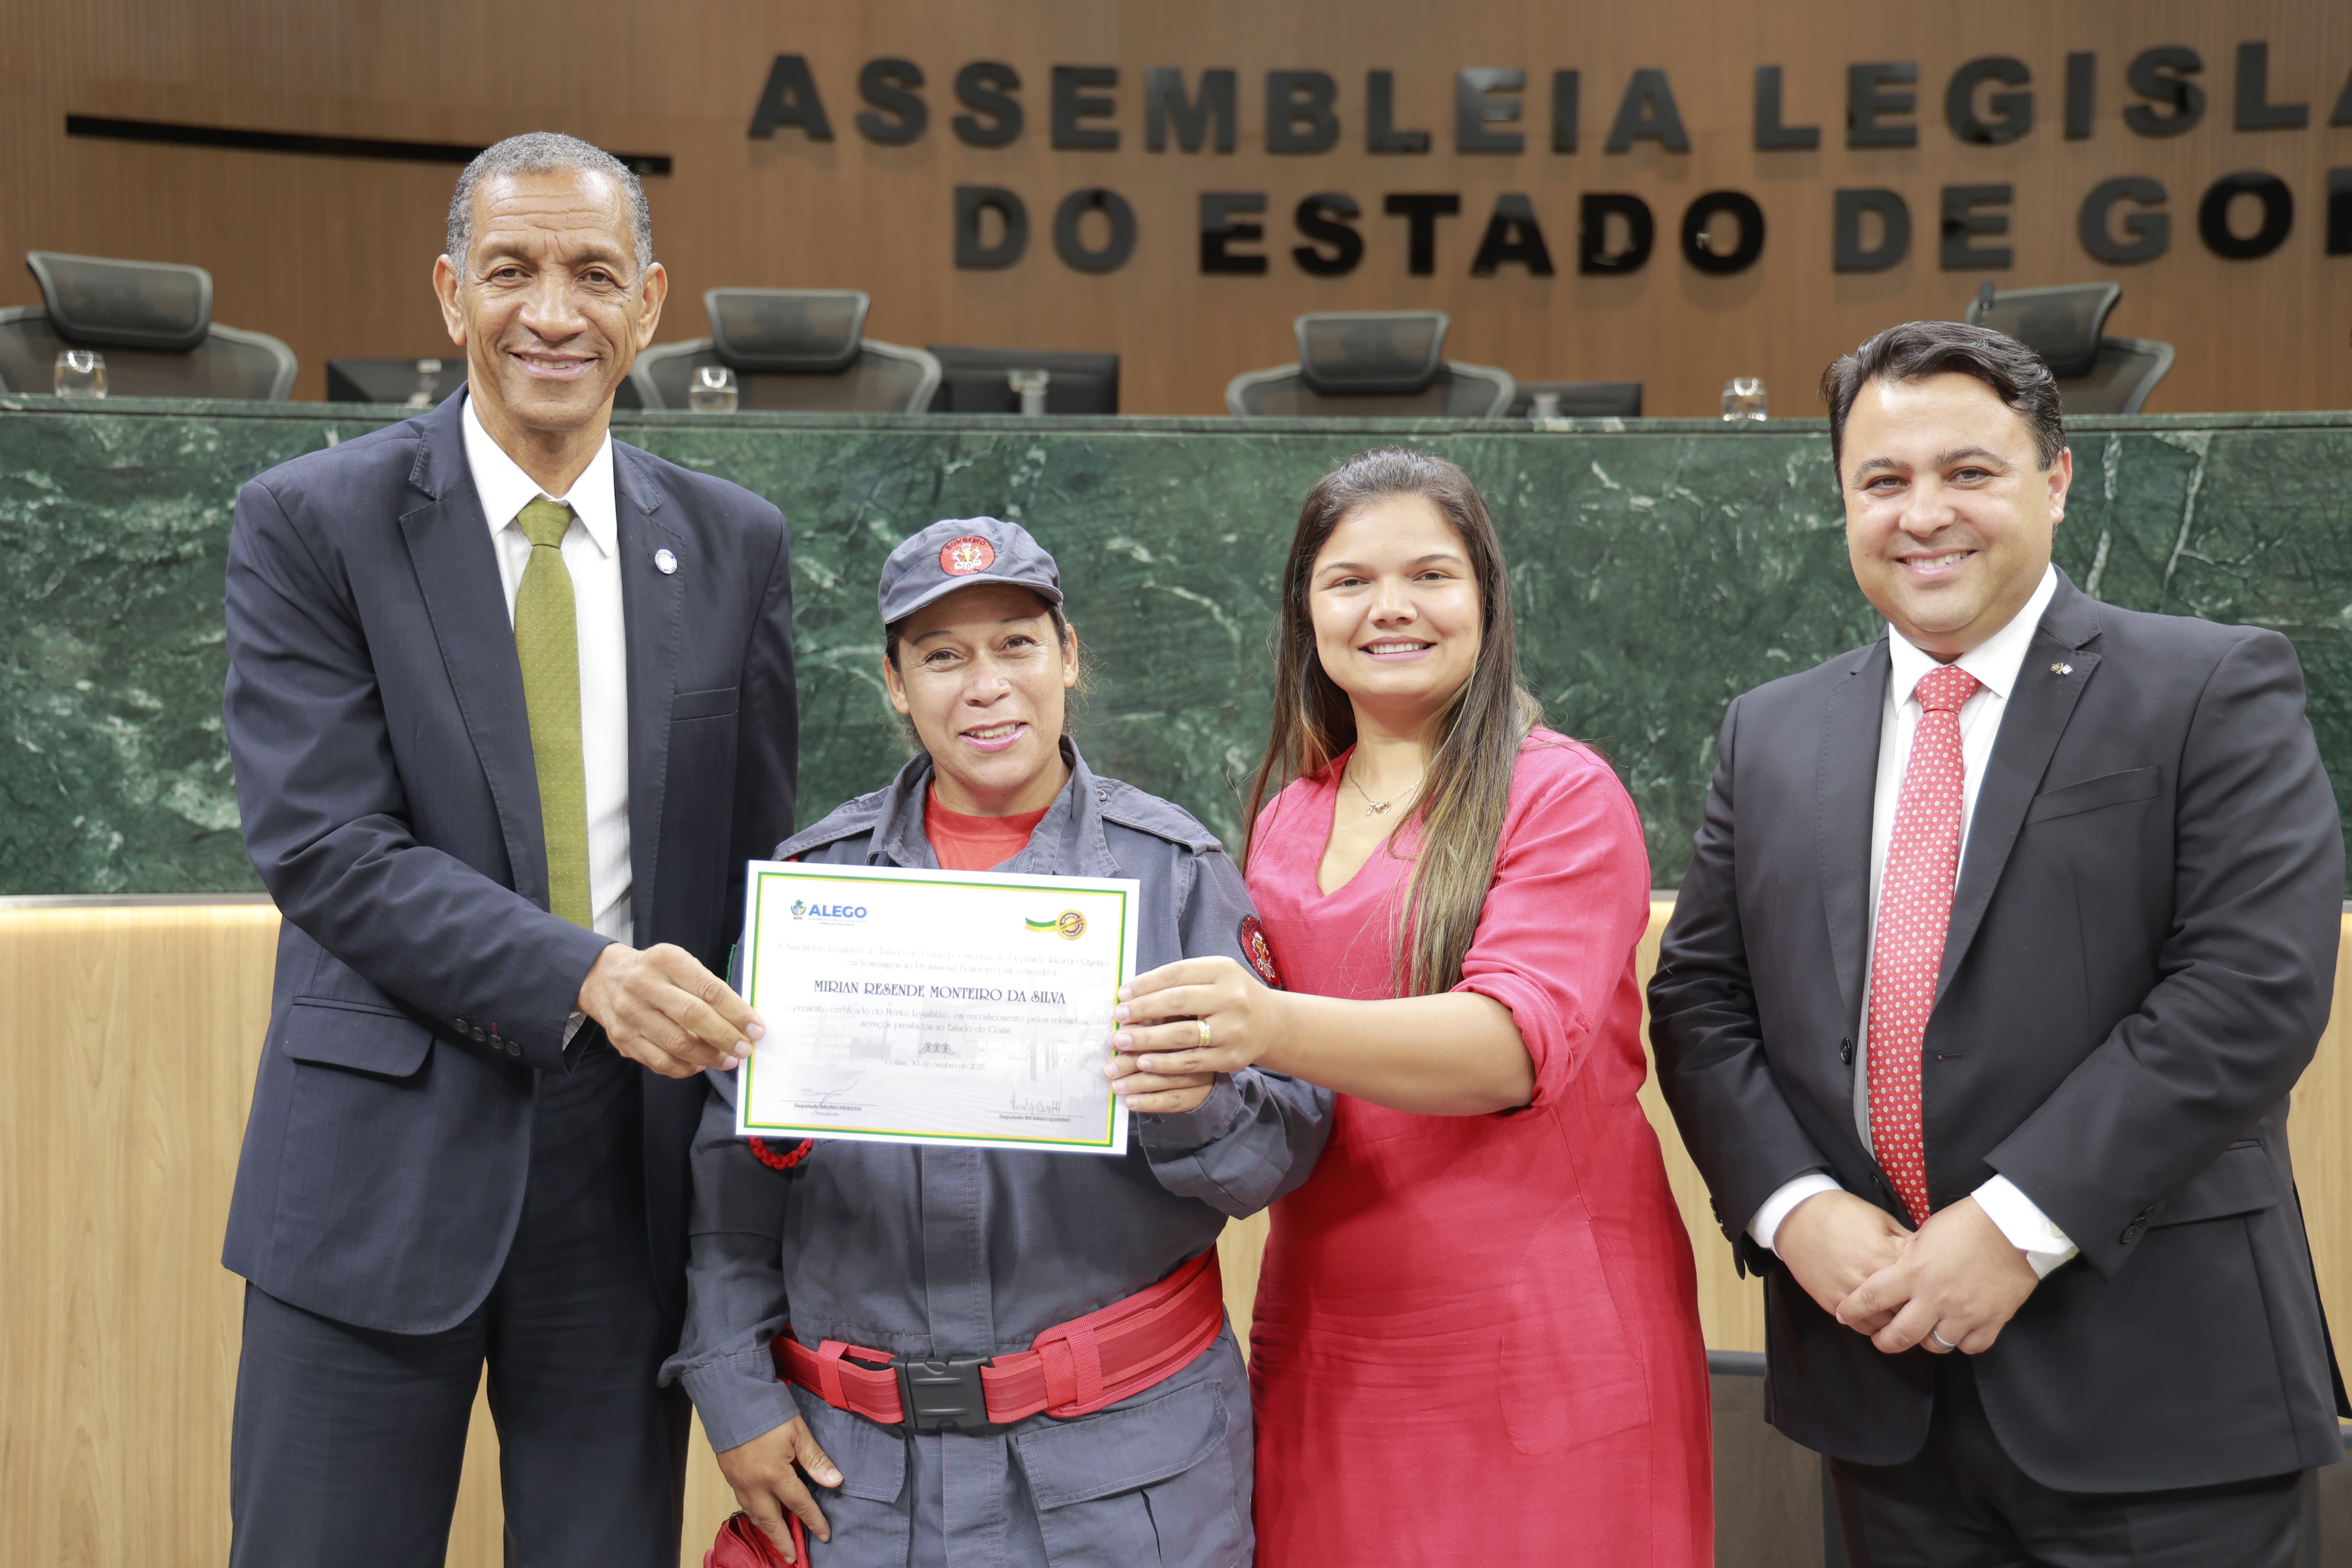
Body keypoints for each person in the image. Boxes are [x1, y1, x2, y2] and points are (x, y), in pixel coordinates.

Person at [1648, 320, 2347, 1565]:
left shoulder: (2209, 687)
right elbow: (1701, 998)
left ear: (2056, 479)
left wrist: (2017, 1223)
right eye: (1883, 479)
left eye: (1968, 471)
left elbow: (2250, 991)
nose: (1924, 514)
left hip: (2159, 1391)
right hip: (1880, 1389)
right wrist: (1795, 1209)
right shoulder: (1772, 731)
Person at [220, 132, 798, 1566]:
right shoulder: (312, 522)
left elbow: (758, 869)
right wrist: (587, 973)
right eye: (511, 270)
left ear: (649, 305)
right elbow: (329, 847)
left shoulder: (735, 544)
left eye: (593, 274)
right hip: (375, 1170)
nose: (552, 312)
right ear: (449, 292)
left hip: (628, 1182)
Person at [665, 515, 1332, 1566]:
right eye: (943, 657)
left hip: (1126, 1474)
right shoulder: (813, 889)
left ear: (1069, 657)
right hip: (857, 1480)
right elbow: (732, 1177)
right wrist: (734, 1390)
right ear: (895, 684)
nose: (986, 687)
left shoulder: (1173, 872)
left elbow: (1280, 1153)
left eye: (1017, 645)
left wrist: (1194, 1100)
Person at [1113, 449, 1713, 1566]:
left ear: (1487, 597)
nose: (1391, 608)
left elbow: (1510, 1049)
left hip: (1540, 1335)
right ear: (1306, 611)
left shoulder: (1562, 793)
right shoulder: (1288, 814)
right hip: (1328, 1331)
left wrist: (1265, 1025)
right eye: (1350, 581)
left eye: (1431, 576)